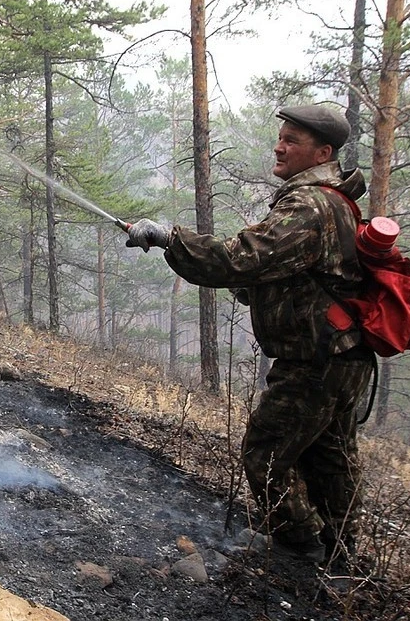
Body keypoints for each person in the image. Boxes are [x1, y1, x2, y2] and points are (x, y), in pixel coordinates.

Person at [126, 104, 374, 567]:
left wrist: (168, 237)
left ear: (322, 151)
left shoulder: (310, 204)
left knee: (266, 454)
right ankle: (342, 560)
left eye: (292, 141)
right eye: (281, 137)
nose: (279, 146)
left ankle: (298, 548)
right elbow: (282, 272)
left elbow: (244, 256)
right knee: (330, 458)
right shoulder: (332, 200)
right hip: (340, 356)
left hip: (316, 361)